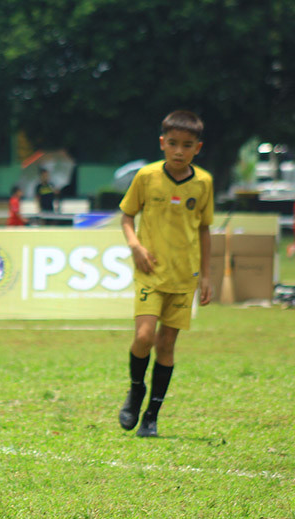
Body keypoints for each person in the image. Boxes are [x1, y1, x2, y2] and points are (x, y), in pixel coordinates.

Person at [117, 110, 213, 438]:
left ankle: (151, 417)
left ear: (197, 148)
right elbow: (127, 216)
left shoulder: (203, 183)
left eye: (187, 145)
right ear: (162, 143)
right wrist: (135, 246)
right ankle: (134, 391)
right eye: (172, 143)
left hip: (184, 276)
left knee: (167, 346)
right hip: (151, 272)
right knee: (144, 337)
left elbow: (204, 230)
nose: (179, 151)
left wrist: (207, 276)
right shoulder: (146, 177)